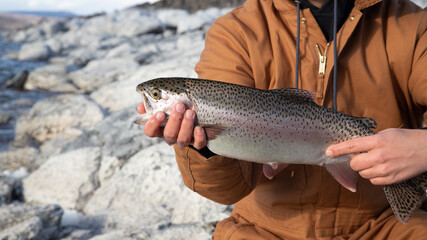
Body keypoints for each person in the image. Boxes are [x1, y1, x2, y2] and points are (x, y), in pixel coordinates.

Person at [138, 0, 427, 239]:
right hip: (262, 230)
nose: (149, 97)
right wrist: (200, 148)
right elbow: (226, 191)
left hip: (386, 226)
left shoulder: (413, 24)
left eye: (154, 93)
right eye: (155, 93)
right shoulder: (236, 31)